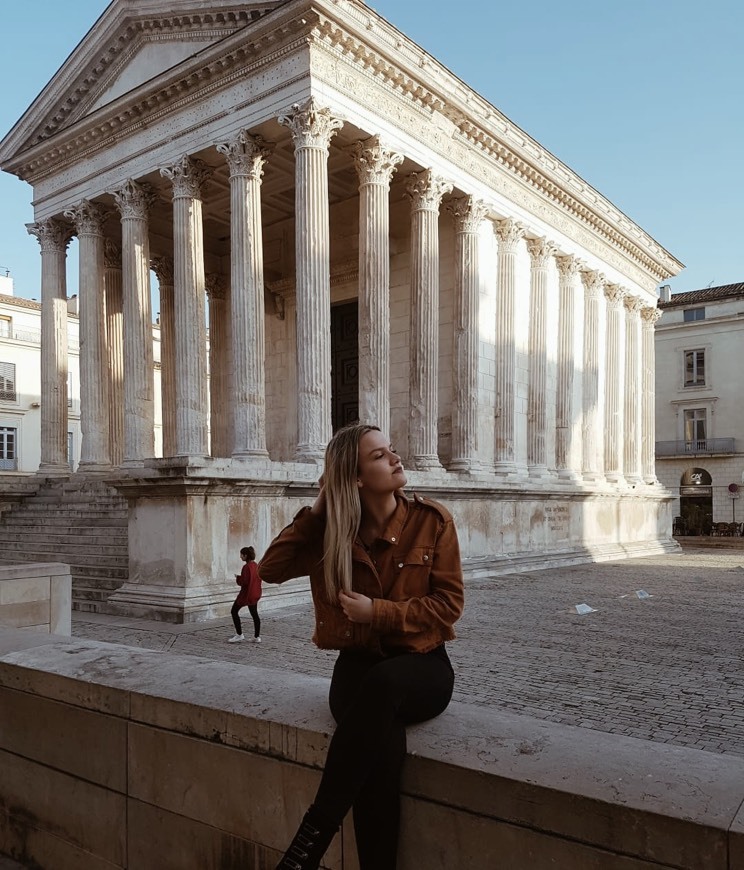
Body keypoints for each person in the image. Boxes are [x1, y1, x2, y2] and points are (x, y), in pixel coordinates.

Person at [259, 423, 464, 870]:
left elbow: (449, 607)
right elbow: (270, 570)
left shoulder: (432, 521)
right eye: (379, 456)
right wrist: (317, 508)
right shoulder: (331, 534)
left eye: (391, 450)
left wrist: (380, 614)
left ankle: (307, 846)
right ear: (353, 478)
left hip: (422, 666)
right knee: (380, 756)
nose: (395, 458)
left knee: (386, 684)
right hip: (358, 670)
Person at [228, 545, 262, 643]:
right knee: (255, 615)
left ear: (246, 555)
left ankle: (239, 634)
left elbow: (244, 582)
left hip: (246, 594)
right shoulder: (256, 565)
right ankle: (257, 636)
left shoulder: (246, 567)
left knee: (234, 611)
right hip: (254, 593)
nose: (240, 557)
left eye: (241, 555)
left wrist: (238, 578)